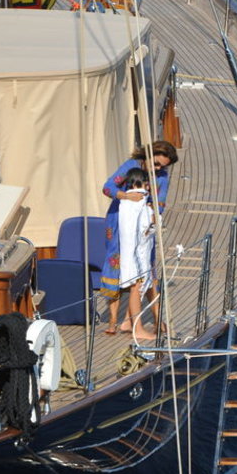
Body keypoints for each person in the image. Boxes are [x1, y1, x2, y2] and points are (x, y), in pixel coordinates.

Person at [100, 141, 178, 335]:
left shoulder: (161, 177)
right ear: (148, 155)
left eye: (162, 166)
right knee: (116, 265)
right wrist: (126, 196)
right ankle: (113, 320)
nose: (158, 168)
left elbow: (160, 202)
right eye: (156, 163)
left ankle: (150, 319)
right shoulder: (131, 166)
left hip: (143, 224)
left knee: (147, 267)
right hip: (119, 223)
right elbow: (108, 187)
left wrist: (153, 214)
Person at [112, 168, 157, 340]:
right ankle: (138, 328)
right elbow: (145, 229)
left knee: (136, 288)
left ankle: (127, 322)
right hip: (137, 254)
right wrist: (155, 220)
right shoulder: (140, 202)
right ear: (143, 183)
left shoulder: (125, 202)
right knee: (137, 289)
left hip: (129, 252)